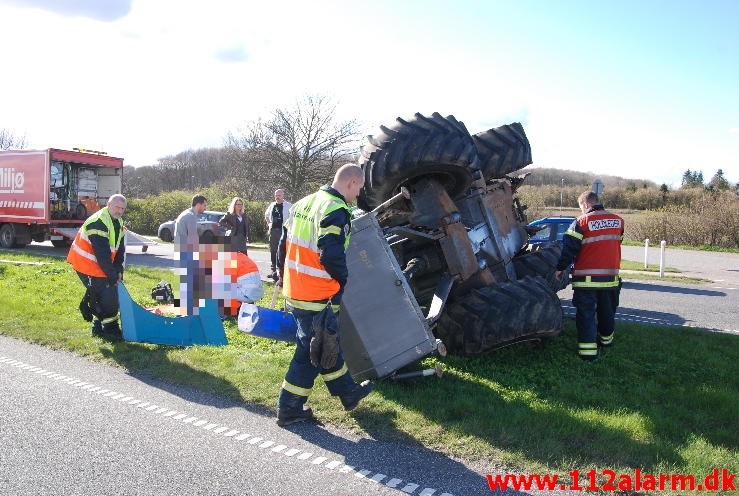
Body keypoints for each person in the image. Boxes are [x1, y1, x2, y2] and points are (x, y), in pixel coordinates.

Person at [276, 164, 374, 426]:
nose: (359, 194)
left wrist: (280, 274)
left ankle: (348, 393)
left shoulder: (303, 203)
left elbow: (281, 246)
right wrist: (342, 280)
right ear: (352, 183)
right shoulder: (336, 209)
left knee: (323, 346)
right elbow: (330, 253)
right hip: (318, 294)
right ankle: (289, 407)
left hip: (296, 289)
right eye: (360, 187)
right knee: (313, 351)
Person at [556, 191, 624, 361]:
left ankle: (588, 354)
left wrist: (560, 268)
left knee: (586, 315)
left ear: (585, 205)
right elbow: (616, 242)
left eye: (581, 207)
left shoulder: (581, 222)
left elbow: (569, 249)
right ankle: (606, 342)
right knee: (607, 313)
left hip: (586, 280)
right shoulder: (618, 221)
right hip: (610, 279)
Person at [67, 194, 127, 341]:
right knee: (107, 296)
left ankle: (98, 328)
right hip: (86, 264)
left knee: (105, 293)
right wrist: (112, 276)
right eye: (117, 207)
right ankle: (110, 330)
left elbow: (119, 249)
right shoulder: (99, 221)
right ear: (108, 204)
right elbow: (102, 254)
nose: (119, 211)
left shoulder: (118, 221)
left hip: (99, 264)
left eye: (122, 209)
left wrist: (118, 270)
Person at [174, 195, 208, 315]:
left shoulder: (186, 214)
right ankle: (187, 313)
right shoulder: (190, 217)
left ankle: (182, 311)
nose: (205, 208)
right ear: (198, 204)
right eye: (204, 205)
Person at [264, 189, 291, 280]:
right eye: (276, 195)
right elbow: (266, 215)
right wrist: (269, 224)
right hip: (273, 231)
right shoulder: (272, 205)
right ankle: (273, 271)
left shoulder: (289, 206)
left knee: (283, 251)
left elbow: (293, 218)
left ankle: (283, 272)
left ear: (283, 195)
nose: (277, 197)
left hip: (283, 231)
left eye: (279, 195)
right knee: (273, 250)